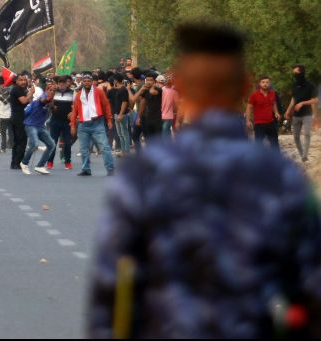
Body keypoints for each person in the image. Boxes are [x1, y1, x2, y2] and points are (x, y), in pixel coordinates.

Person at [88, 23, 321, 338]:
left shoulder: (144, 172)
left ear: (181, 85)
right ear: (244, 87)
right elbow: (309, 288)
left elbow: (111, 288)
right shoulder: (279, 175)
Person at [70, 74, 115, 177]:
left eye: (88, 81)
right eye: (85, 81)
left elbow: (106, 105)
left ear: (92, 82)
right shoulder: (79, 94)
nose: (87, 83)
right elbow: (75, 110)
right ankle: (86, 169)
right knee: (84, 149)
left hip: (97, 123)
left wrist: (109, 120)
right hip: (83, 124)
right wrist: (72, 125)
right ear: (82, 82)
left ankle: (110, 168)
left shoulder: (98, 92)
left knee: (104, 147)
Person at [284, 65, 318, 163]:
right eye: (294, 73)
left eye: (296, 73)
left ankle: (304, 155)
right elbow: (293, 99)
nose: (295, 75)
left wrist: (303, 103)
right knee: (295, 136)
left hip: (307, 114)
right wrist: (287, 110)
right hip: (296, 115)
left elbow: (315, 100)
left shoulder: (310, 85)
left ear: (302, 73)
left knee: (307, 134)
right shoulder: (294, 85)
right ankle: (302, 153)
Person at [20, 84, 56, 175]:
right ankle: (24, 163)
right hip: (30, 125)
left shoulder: (52, 100)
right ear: (46, 90)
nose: (52, 92)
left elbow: (51, 108)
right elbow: (42, 101)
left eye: (54, 90)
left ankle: (40, 166)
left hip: (40, 126)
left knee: (51, 145)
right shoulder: (43, 97)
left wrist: (53, 106)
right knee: (34, 144)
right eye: (50, 90)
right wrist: (48, 100)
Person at [246, 76, 281, 150]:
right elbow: (249, 108)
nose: (265, 84)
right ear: (259, 84)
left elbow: (273, 103)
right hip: (259, 124)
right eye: (263, 82)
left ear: (270, 84)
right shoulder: (254, 95)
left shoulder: (272, 94)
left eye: (267, 82)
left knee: (275, 144)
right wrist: (248, 120)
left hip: (270, 122)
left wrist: (276, 112)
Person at [48, 75, 75, 170]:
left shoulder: (72, 93)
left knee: (67, 143)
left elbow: (75, 105)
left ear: (67, 84)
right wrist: (52, 106)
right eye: (60, 83)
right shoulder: (54, 92)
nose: (62, 85)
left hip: (67, 122)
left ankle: (68, 162)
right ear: (58, 83)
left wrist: (72, 112)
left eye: (64, 83)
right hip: (55, 121)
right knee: (53, 142)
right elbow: (48, 102)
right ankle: (50, 162)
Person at [9, 73, 35, 170]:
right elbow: (24, 101)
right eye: (21, 80)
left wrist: (29, 94)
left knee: (17, 141)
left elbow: (28, 101)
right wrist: (31, 93)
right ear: (16, 81)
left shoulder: (22, 90)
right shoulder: (17, 89)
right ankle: (18, 163)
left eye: (25, 80)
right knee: (21, 142)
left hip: (20, 117)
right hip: (19, 118)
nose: (23, 82)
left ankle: (14, 163)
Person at [108, 74, 131, 158]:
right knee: (120, 134)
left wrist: (121, 114)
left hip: (122, 114)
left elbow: (124, 102)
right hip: (117, 113)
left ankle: (126, 152)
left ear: (116, 80)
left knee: (125, 133)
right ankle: (123, 151)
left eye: (114, 79)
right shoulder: (119, 89)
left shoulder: (123, 90)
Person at [0, 78, 13, 154]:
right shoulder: (11, 92)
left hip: (2, 116)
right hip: (10, 115)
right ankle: (11, 145)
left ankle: (3, 148)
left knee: (3, 133)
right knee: (11, 132)